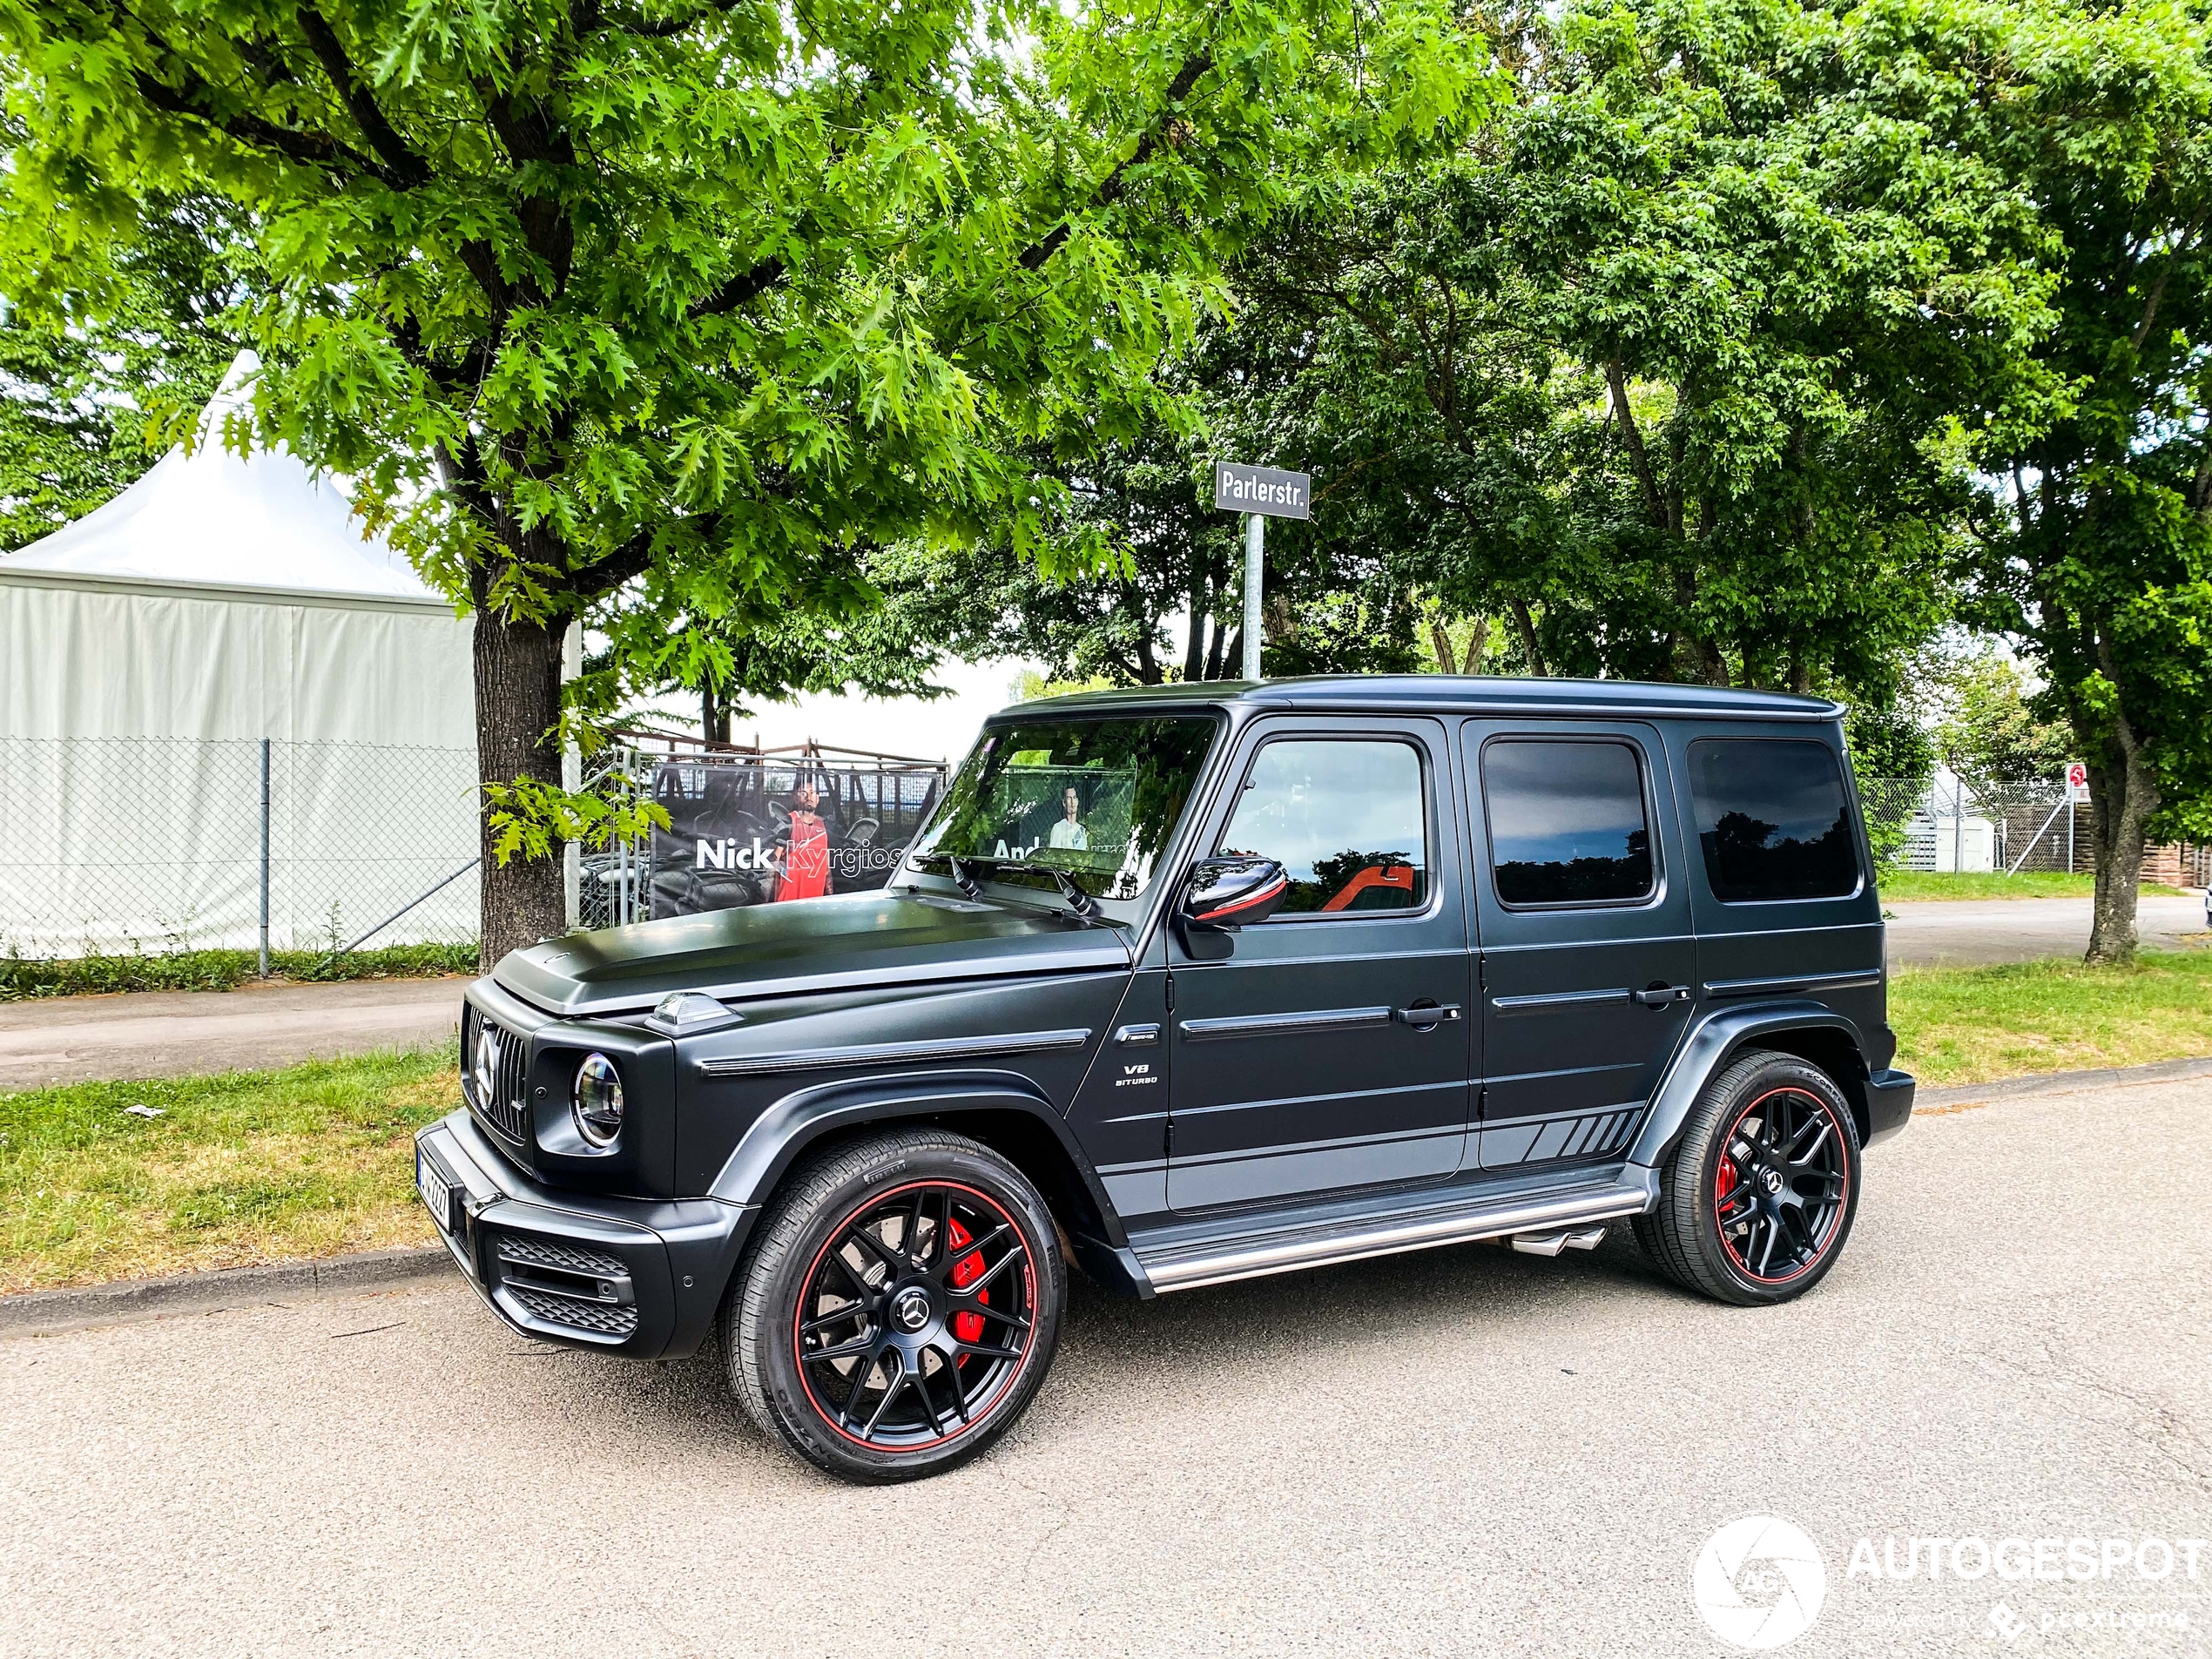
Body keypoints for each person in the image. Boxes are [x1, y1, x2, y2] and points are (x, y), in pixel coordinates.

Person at [774, 778, 832, 901]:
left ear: (818, 798)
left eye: (812, 792)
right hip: (788, 900)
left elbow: (826, 867)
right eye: (803, 793)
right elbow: (774, 859)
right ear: (796, 798)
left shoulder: (824, 826)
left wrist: (829, 895)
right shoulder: (788, 823)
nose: (808, 796)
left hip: (815, 898)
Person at [1048, 785, 1088, 851]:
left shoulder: (1081, 830)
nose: (1072, 802)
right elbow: (1054, 855)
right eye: (1069, 798)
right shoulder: (1058, 828)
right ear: (1064, 803)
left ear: (1077, 801)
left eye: (1074, 798)